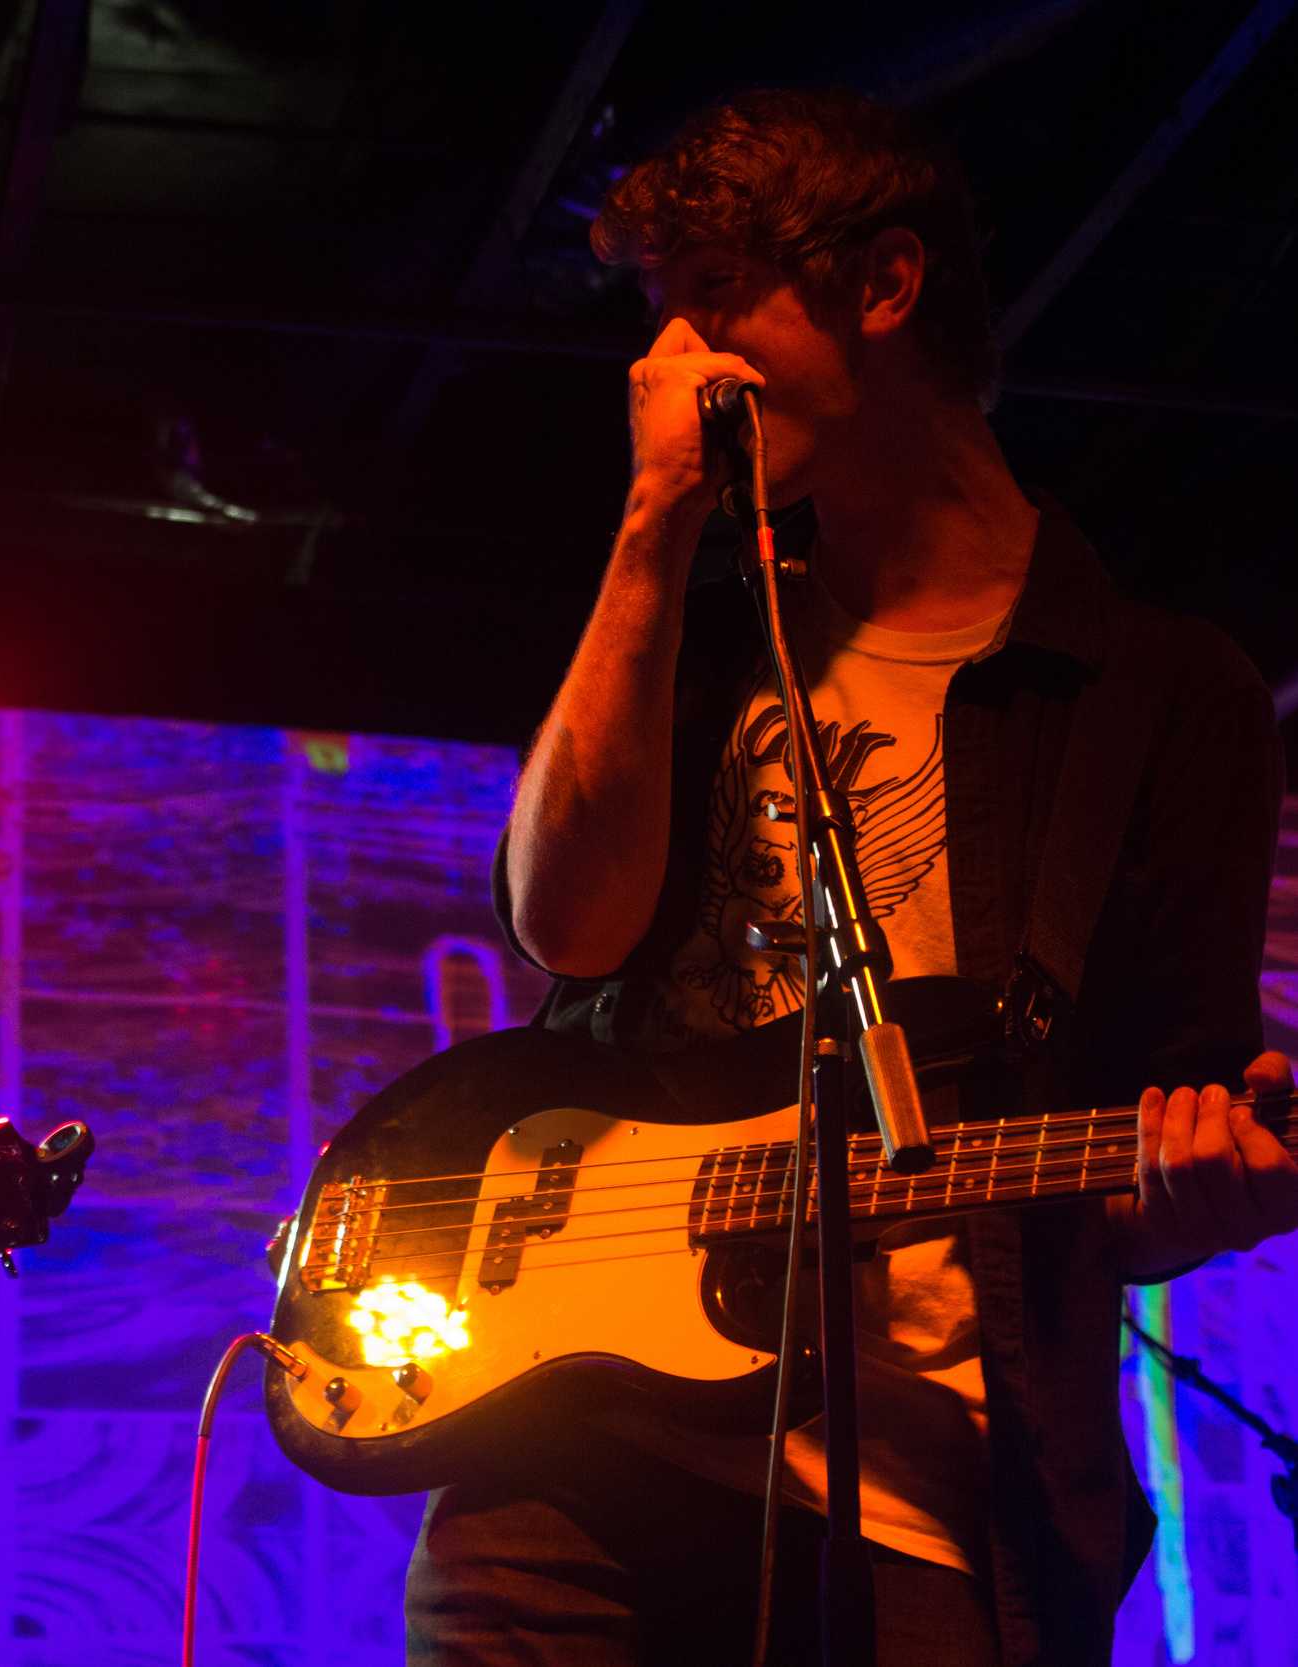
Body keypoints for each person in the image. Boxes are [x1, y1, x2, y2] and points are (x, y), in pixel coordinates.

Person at [405, 90, 1298, 1665]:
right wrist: (651, 530)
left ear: (882, 289)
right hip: (569, 1477)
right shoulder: (703, 619)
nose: (667, 368)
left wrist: (1203, 1198)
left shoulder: (1168, 695)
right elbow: (563, 925)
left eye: (713, 310)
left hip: (924, 1505)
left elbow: (1157, 1129)